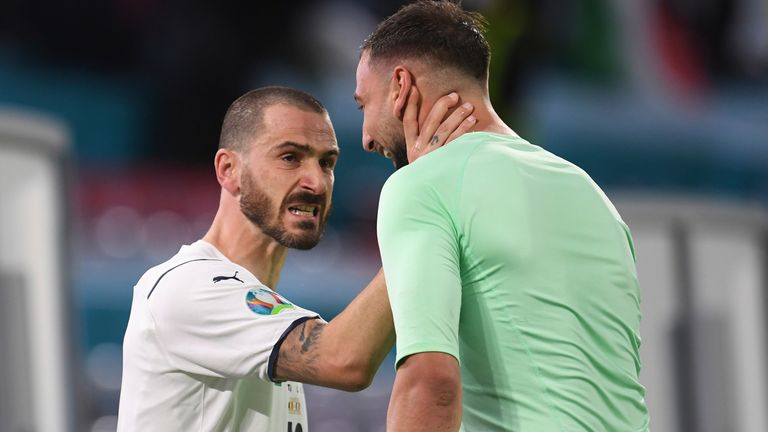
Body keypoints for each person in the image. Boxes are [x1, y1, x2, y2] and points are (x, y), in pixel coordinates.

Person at [354, 1, 650, 431]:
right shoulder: (591, 194)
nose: (364, 137)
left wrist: (421, 181)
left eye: (364, 104)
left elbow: (430, 385)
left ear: (400, 85)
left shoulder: (420, 185)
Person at [117, 85, 473, 431]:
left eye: (327, 162)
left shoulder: (267, 316)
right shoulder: (188, 287)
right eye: (290, 157)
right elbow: (344, 360)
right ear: (228, 170)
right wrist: (426, 203)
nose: (316, 182)